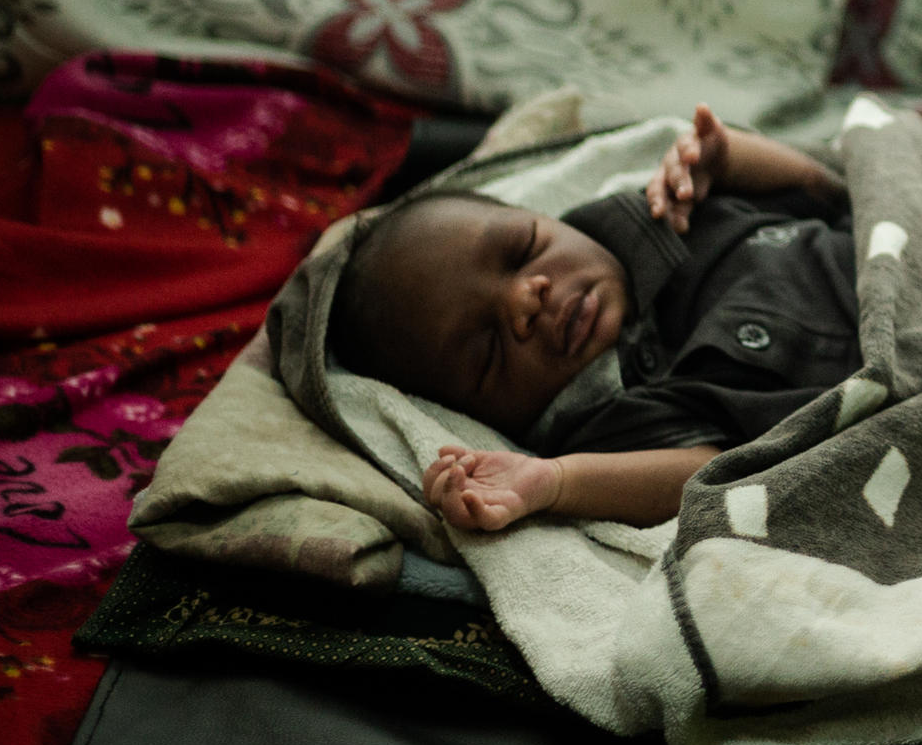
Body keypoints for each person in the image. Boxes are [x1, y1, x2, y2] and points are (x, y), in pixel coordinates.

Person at [329, 106, 855, 532]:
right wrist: (555, 481)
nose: (525, 302)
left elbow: (823, 188)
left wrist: (730, 158)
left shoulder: (660, 211)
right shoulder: (603, 413)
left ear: (550, 220)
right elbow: (706, 469)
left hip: (887, 250)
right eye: (487, 349)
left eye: (523, 249)